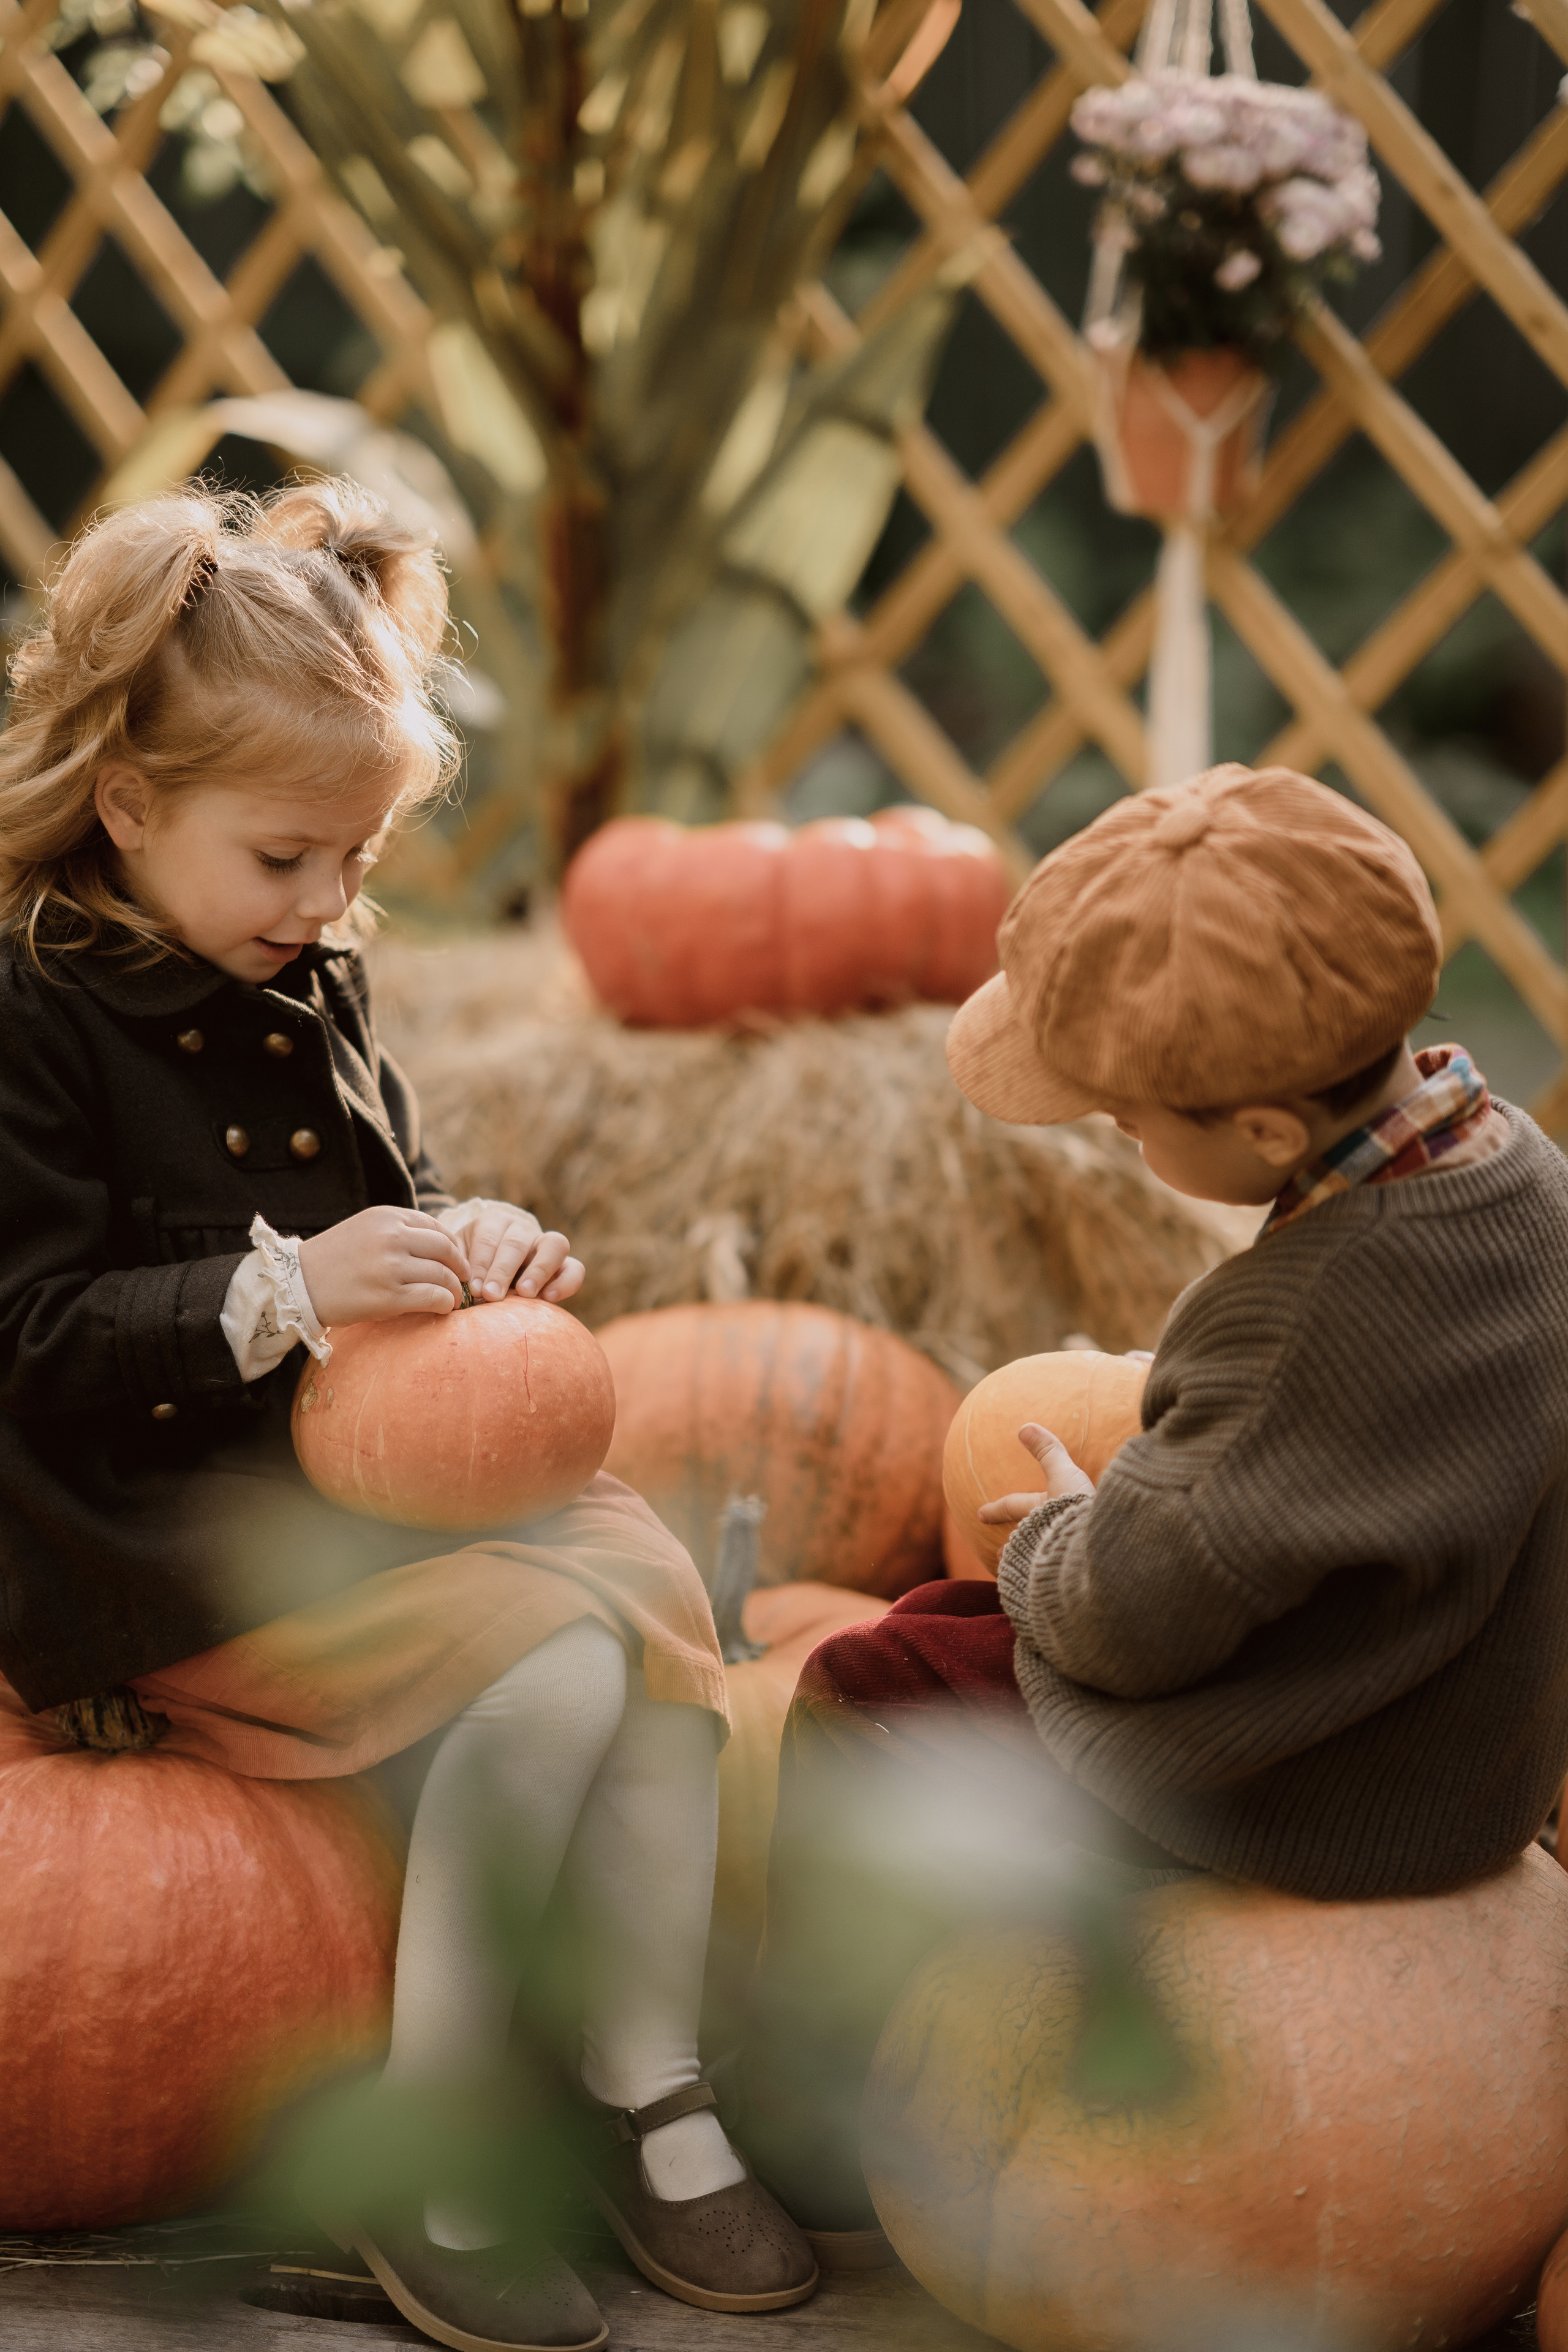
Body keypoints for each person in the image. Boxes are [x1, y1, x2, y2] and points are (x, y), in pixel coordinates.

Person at [0, 481, 816, 2351]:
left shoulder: (309, 967)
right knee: (545, 1664)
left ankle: (644, 2077)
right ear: (130, 807)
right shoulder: (34, 1004)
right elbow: (28, 1334)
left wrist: (468, 1244)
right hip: (135, 1544)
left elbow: (398, 1183)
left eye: (357, 860)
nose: (328, 903)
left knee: (639, 1569)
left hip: (322, 1483)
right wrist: (290, 1290)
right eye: (287, 857)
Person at [741, 761, 1568, 2241]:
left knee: (868, 1684)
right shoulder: (1519, 1177)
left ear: (1259, 1132)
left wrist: (1067, 1527)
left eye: (1126, 1117)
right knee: (946, 1617)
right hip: (1465, 1725)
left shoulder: (1303, 1314)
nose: (1115, 1140)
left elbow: (1137, 1617)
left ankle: (826, 2106)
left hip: (1330, 1782)